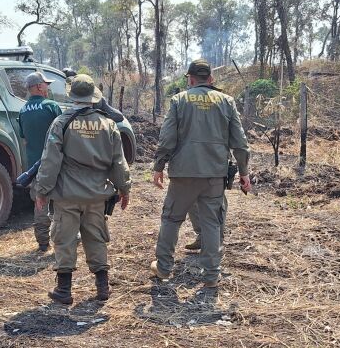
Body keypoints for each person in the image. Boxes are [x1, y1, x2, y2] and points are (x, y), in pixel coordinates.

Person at [151, 58, 251, 287]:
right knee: (212, 223)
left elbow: (167, 138)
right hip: (214, 175)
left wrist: (159, 165)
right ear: (211, 79)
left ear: (191, 79)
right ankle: (211, 275)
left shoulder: (179, 100)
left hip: (183, 174)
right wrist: (244, 172)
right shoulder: (226, 101)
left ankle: (164, 268)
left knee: (171, 219)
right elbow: (240, 142)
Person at [34, 74, 131, 305]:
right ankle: (102, 287)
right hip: (97, 195)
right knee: (96, 238)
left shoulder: (61, 123)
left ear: (72, 95)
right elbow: (118, 161)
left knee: (64, 240)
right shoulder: (108, 124)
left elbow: (50, 161)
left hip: (67, 195)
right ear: (93, 97)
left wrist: (42, 190)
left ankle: (64, 290)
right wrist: (124, 188)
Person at [19, 71, 62, 251]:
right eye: (46, 84)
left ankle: (43, 242)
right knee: (61, 203)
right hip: (57, 164)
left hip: (35, 166)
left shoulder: (22, 110)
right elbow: (64, 134)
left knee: (40, 202)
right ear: (38, 86)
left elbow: (24, 136)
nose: (47, 88)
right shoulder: (52, 107)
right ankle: (64, 240)